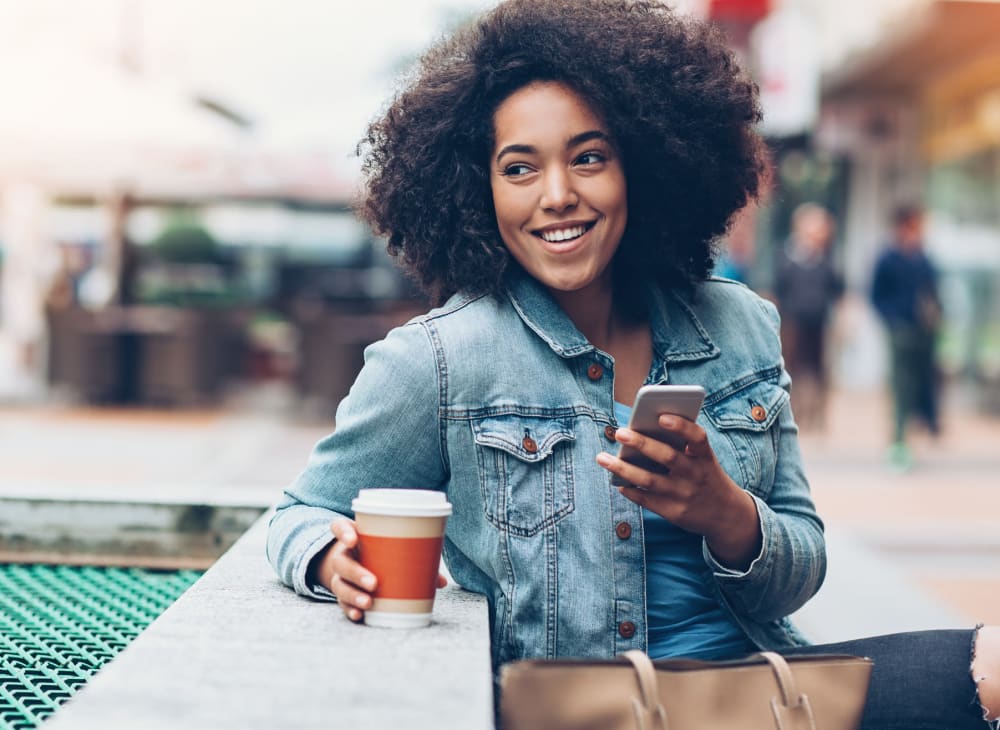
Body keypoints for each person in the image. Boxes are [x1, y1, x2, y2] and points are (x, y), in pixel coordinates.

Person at [266, 2, 999, 727]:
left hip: (752, 694)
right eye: (519, 168)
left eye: (589, 157)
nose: (558, 196)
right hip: (577, 710)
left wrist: (726, 512)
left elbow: (799, 569)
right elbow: (302, 512)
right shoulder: (439, 361)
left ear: (643, 164)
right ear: (477, 191)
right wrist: (332, 560)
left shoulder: (739, 325)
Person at [871, 204, 942, 470]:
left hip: (923, 330)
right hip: (900, 329)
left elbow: (933, 290)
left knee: (919, 384)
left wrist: (935, 316)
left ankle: (916, 431)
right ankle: (899, 439)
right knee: (901, 385)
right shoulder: (888, 257)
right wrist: (893, 320)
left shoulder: (922, 257)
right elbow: (876, 295)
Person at [774, 203, 844, 430]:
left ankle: (817, 416)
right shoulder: (787, 257)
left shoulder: (826, 260)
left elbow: (838, 290)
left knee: (819, 371)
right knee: (791, 368)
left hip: (820, 322)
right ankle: (794, 414)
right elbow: (776, 289)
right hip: (793, 322)